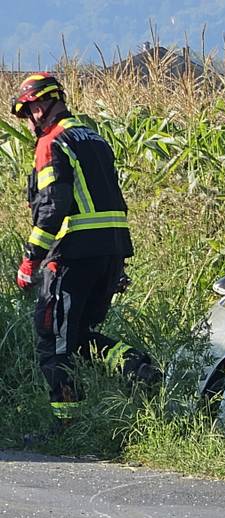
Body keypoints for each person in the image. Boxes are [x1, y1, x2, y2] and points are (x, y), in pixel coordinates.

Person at [10, 72, 159, 430]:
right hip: (109, 253)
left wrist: (31, 259)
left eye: (28, 111)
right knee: (78, 336)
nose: (28, 121)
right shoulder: (93, 137)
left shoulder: (52, 141)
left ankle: (67, 428)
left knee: (53, 341)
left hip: (72, 255)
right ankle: (135, 365)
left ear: (43, 105)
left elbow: (52, 206)